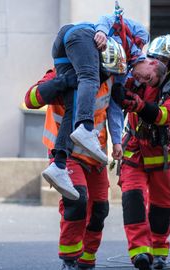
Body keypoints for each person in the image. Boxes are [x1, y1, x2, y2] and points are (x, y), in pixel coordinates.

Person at [41, 4, 149, 201]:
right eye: (147, 77)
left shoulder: (123, 73)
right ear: (149, 62)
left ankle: (58, 165)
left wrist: (116, 141)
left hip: (64, 51)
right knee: (89, 78)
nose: (142, 80)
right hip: (78, 34)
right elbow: (111, 19)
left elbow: (115, 110)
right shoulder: (140, 39)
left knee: (72, 105)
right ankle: (85, 127)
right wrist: (100, 30)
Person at [25, 65, 123, 269]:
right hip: (66, 154)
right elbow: (31, 100)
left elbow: (113, 110)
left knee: (100, 209)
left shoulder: (109, 81)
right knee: (76, 201)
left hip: (95, 157)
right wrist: (61, 82)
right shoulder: (59, 72)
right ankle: (69, 260)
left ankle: (87, 260)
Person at [111, 35, 170, 270]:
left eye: (164, 60)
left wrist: (139, 106)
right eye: (154, 58)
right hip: (134, 152)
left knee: (162, 206)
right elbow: (117, 87)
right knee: (133, 200)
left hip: (162, 156)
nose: (157, 64)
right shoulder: (136, 79)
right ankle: (140, 252)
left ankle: (160, 251)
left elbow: (164, 115)